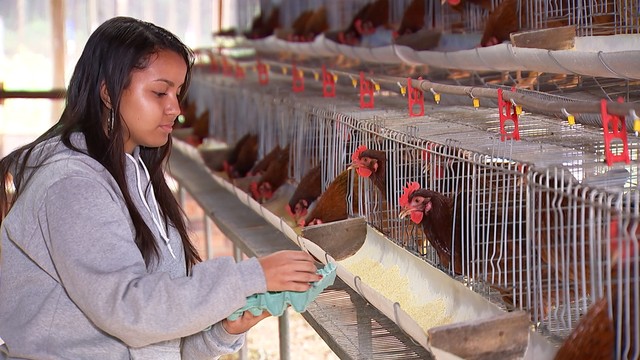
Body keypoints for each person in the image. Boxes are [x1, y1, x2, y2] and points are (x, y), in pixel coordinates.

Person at [0, 16, 322, 359]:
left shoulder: (134, 173)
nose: (176, 108)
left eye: (178, 92)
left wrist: (222, 331)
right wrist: (249, 277)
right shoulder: (73, 186)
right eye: (159, 92)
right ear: (108, 92)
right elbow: (130, 313)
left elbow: (153, 340)